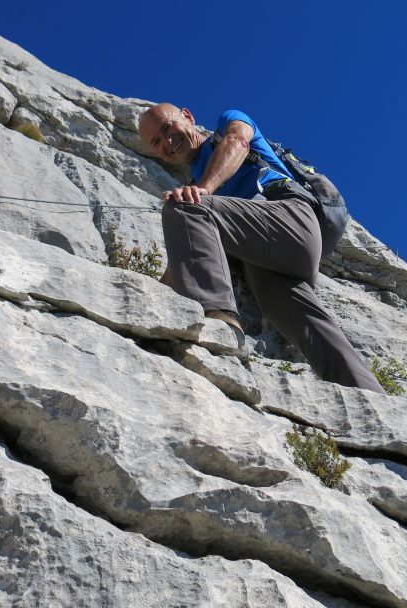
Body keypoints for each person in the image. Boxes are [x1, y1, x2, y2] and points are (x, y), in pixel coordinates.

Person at [137, 103, 383, 393]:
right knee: (312, 328)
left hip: (290, 217)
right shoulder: (198, 191)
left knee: (185, 208)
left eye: (168, 127)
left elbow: (238, 140)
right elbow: (191, 256)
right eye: (156, 141)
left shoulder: (228, 126)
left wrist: (203, 190)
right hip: (268, 257)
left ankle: (215, 322)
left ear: (188, 117)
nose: (167, 141)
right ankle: (374, 401)